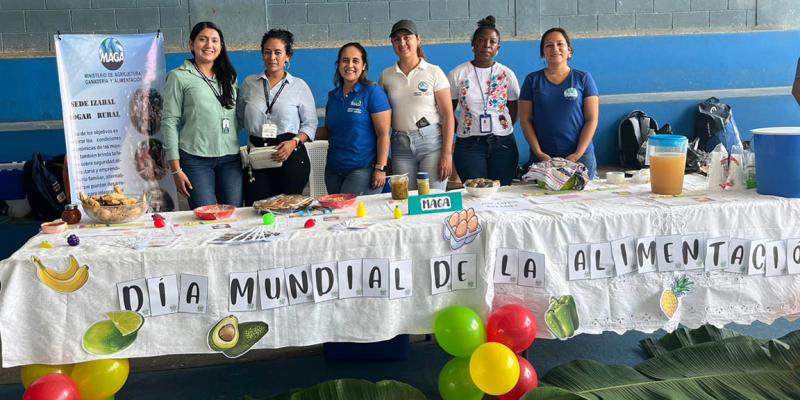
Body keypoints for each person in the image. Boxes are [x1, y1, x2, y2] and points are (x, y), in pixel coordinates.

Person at [162, 21, 241, 209]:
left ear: (221, 46)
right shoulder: (178, 76)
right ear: (191, 44)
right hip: (196, 160)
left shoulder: (229, 77)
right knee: (206, 216)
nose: (209, 45)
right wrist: (176, 170)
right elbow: (170, 122)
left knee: (234, 214)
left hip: (230, 158)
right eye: (203, 39)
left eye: (214, 40)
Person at [237, 29, 317, 205]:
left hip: (289, 154)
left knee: (287, 209)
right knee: (257, 208)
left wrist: (293, 143)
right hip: (257, 157)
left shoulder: (299, 86)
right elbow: (240, 117)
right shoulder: (249, 84)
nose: (272, 57)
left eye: (278, 52)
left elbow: (310, 124)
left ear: (288, 56)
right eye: (267, 52)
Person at [380, 19, 455, 191]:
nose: (402, 43)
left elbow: (448, 115)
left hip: (431, 145)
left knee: (432, 197)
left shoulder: (434, 72)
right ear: (392, 43)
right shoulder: (386, 76)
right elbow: (380, 116)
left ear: (418, 39)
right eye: (397, 39)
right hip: (400, 147)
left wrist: (447, 153)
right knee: (405, 200)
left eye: (407, 38)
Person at [447, 16, 520, 186]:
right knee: (476, 191)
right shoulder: (458, 74)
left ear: (497, 48)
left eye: (492, 42)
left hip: (503, 144)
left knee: (502, 190)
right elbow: (448, 111)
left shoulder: (506, 74)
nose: (486, 45)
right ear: (473, 44)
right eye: (481, 40)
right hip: (469, 144)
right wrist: (463, 127)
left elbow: (514, 110)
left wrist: (499, 125)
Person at [519, 27, 599, 179]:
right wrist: (538, 153)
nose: (555, 49)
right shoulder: (532, 80)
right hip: (544, 158)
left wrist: (577, 154)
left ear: (569, 50)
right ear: (543, 53)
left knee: (582, 194)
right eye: (549, 45)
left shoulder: (583, 78)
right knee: (539, 194)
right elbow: (525, 119)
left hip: (581, 156)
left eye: (560, 44)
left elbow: (592, 119)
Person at [317, 43, 391, 195]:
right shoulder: (333, 96)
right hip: (333, 170)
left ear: (363, 66)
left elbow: (383, 134)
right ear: (338, 65)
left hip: (363, 169)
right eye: (345, 60)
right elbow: (330, 131)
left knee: (350, 209)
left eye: (355, 61)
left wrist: (380, 168)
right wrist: (301, 132)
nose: (350, 65)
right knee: (336, 210)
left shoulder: (373, 92)